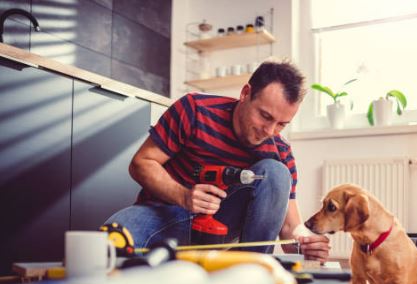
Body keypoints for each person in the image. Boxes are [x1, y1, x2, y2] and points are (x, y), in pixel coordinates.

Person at [104, 60, 330, 262]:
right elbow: (142, 162)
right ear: (245, 93)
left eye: (282, 124)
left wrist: (304, 244)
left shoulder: (280, 150)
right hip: (163, 213)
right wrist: (183, 196)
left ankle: (251, 270)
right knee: (111, 240)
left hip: (221, 226)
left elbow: (290, 227)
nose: (269, 131)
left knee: (276, 172)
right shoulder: (195, 109)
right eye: (265, 116)